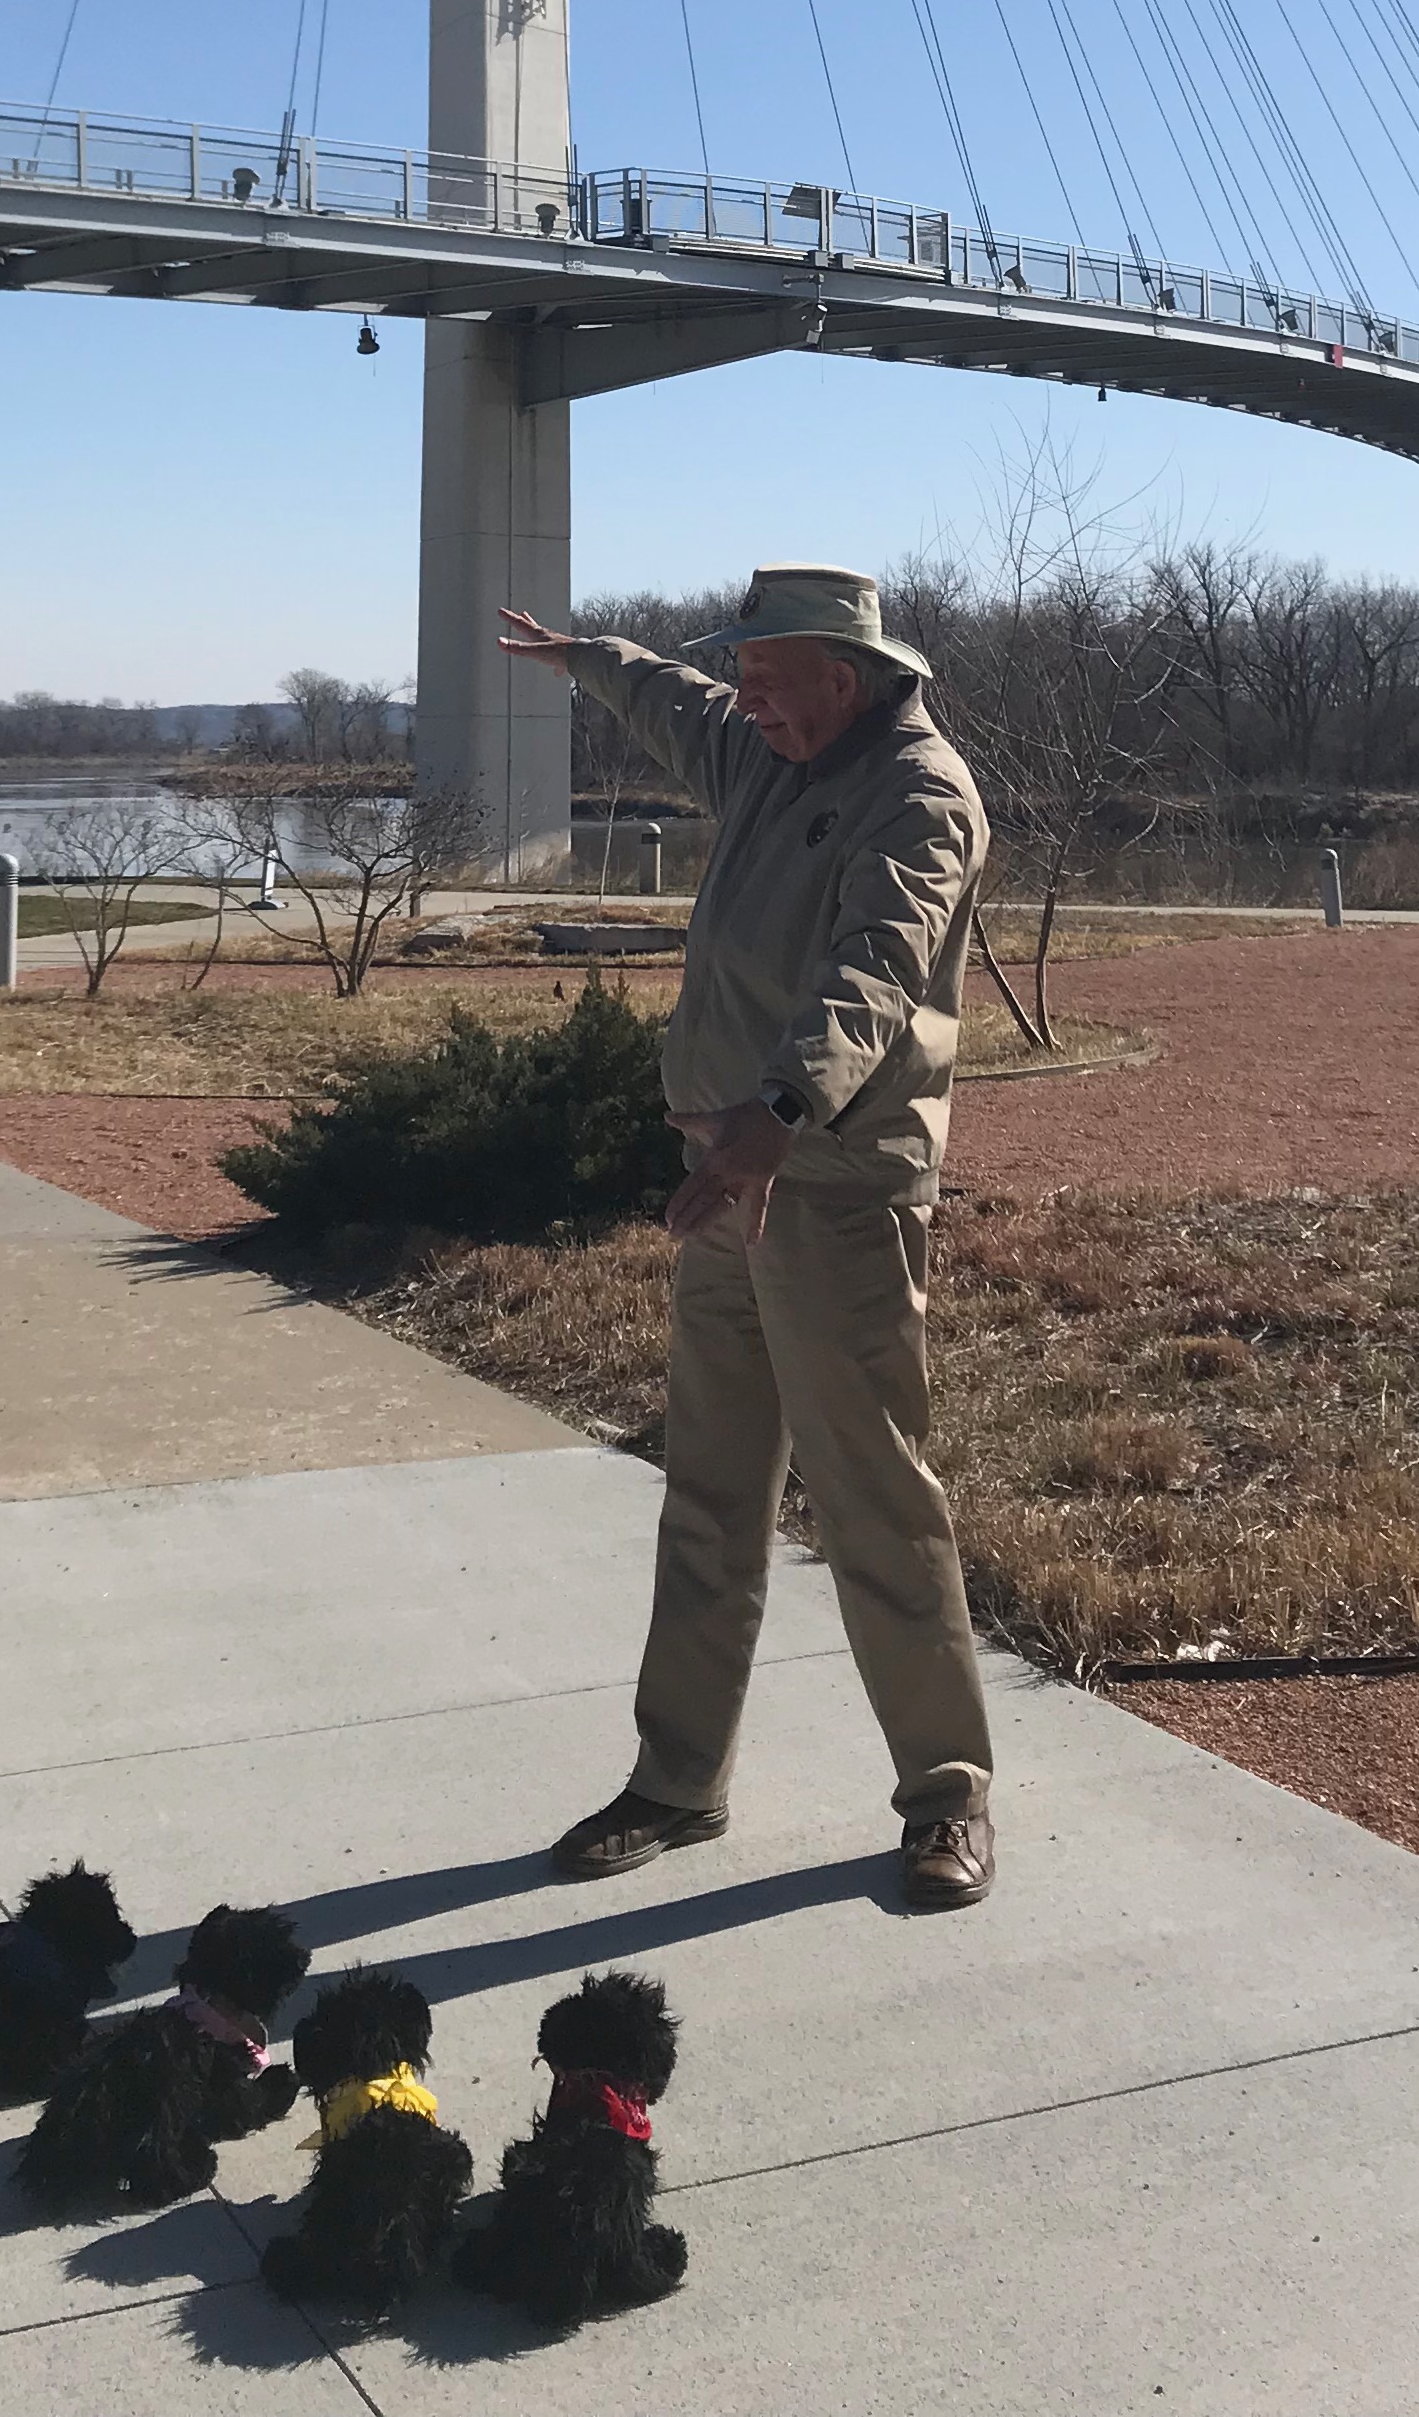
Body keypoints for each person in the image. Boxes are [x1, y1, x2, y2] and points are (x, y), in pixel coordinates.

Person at [495, 564, 998, 1914]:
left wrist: (778, 1116)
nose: (748, 706)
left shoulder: (918, 793)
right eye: (746, 681)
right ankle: (678, 1780)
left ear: (846, 673)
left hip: (827, 1184)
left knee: (873, 1499)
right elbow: (680, 705)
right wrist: (593, 653)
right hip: (728, 1177)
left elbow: (876, 972)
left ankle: (948, 1795)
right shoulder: (780, 744)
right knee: (710, 1488)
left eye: (769, 682)